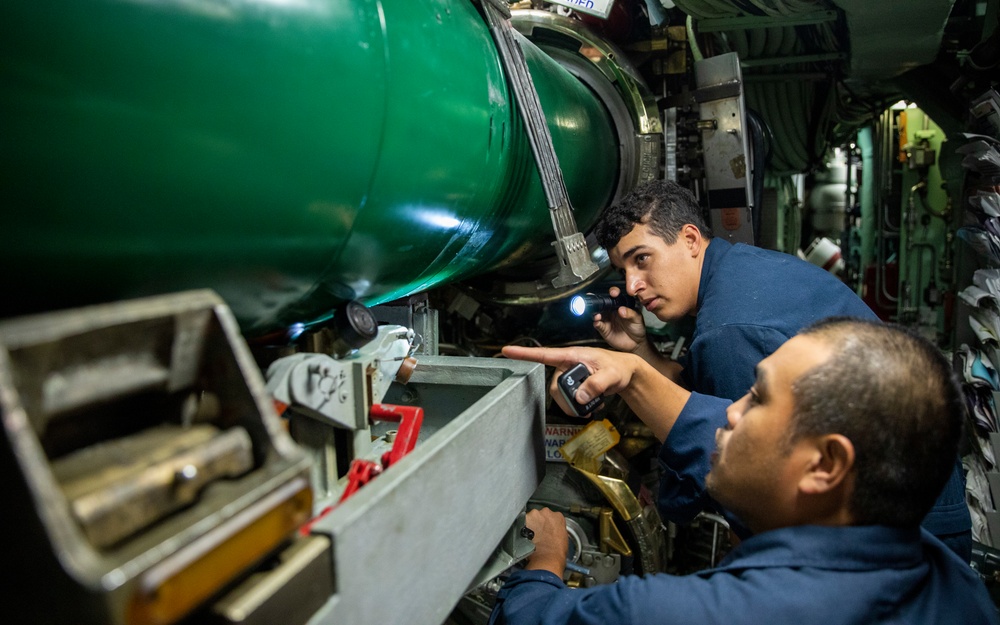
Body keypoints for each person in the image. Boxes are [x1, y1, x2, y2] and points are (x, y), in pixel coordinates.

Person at [491, 319, 998, 625]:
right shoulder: (959, 589)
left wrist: (545, 563)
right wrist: (637, 373)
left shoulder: (696, 613)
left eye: (758, 399)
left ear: (826, 464)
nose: (731, 411)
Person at [585, 179, 971, 558]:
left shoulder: (728, 327)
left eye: (642, 259)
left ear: (688, 239)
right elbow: (701, 397)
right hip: (914, 493)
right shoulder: (739, 267)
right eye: (624, 271)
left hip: (903, 521)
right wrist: (640, 350)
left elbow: (746, 487)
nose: (633, 285)